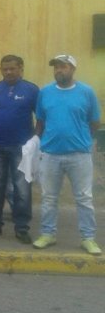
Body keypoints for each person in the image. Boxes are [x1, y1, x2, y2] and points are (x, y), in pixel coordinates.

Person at [33, 55, 102, 255]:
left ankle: (88, 238)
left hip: (79, 154)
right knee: (48, 197)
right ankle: (48, 234)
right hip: (50, 154)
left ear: (73, 68)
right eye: (56, 67)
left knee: (84, 198)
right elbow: (41, 120)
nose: (58, 71)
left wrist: (80, 139)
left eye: (63, 67)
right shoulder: (45, 92)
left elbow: (94, 122)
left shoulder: (86, 92)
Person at [0, 54, 39, 244]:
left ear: (21, 68)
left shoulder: (31, 90)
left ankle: (22, 228)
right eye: (5, 69)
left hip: (22, 148)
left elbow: (41, 118)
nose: (8, 72)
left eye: (12, 68)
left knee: (22, 188)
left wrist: (35, 142)